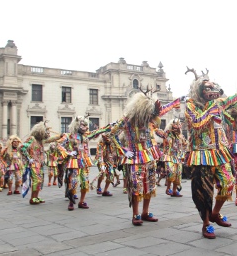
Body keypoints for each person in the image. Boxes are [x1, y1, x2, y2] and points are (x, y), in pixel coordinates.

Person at [184, 67, 237, 239]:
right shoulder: (191, 105)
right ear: (200, 91)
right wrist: (211, 109)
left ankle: (215, 213)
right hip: (201, 153)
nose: (213, 91)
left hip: (219, 152)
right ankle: (206, 223)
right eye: (208, 88)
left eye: (214, 87)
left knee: (229, 182)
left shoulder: (219, 103)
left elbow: (233, 100)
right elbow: (196, 124)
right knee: (204, 191)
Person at [109, 91, 182, 226]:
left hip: (149, 156)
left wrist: (175, 102)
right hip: (134, 157)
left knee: (150, 184)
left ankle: (145, 212)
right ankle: (136, 214)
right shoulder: (128, 119)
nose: (151, 116)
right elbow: (112, 134)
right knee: (136, 185)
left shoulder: (150, 120)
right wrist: (123, 150)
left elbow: (163, 110)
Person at [56, 115, 109, 211]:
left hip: (84, 162)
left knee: (85, 182)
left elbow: (97, 131)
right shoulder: (69, 136)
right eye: (83, 125)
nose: (86, 127)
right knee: (73, 182)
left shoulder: (86, 135)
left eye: (86, 125)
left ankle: (82, 201)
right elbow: (58, 144)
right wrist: (68, 153)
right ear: (77, 125)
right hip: (74, 161)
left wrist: (109, 126)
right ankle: (71, 202)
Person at [20, 121, 58, 205]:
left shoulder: (41, 141)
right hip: (34, 164)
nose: (48, 133)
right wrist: (29, 158)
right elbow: (22, 147)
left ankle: (36, 196)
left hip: (40, 164)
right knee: (36, 180)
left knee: (40, 181)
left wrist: (60, 136)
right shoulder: (32, 139)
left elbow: (50, 139)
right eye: (46, 131)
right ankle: (32, 198)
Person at [156, 118, 187, 197]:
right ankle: (168, 188)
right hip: (169, 156)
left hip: (178, 157)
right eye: (175, 125)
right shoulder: (168, 134)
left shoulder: (181, 136)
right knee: (171, 172)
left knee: (178, 174)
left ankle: (174, 191)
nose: (177, 126)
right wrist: (154, 126)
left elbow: (185, 143)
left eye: (178, 125)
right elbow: (158, 132)